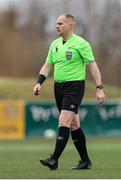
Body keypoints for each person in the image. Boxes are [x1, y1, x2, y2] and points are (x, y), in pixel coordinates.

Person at [33, 13, 105, 170]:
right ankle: (85, 161)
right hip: (58, 88)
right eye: (56, 23)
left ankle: (54, 159)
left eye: (60, 23)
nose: (57, 26)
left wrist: (99, 88)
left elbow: (92, 66)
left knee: (63, 121)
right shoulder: (55, 44)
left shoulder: (81, 44)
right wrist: (39, 82)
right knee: (73, 125)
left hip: (75, 87)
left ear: (70, 26)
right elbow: (47, 65)